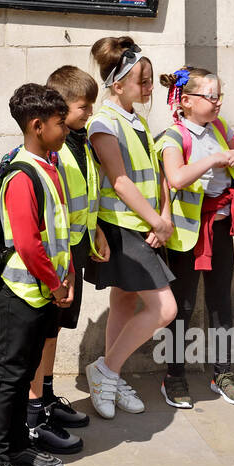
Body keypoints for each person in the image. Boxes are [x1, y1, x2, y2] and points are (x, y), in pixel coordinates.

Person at [0, 83, 74, 466]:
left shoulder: (47, 165)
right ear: (37, 126)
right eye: (60, 124)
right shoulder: (22, 175)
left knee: (25, 369)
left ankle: (15, 448)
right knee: (10, 374)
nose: (66, 130)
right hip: (23, 291)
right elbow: (29, 244)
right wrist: (55, 284)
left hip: (42, 292)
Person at [155, 66, 234, 408]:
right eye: (210, 96)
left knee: (221, 302)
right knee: (182, 307)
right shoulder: (173, 137)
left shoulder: (220, 128)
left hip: (219, 227)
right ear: (185, 101)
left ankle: (223, 372)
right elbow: (176, 178)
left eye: (220, 96)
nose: (217, 103)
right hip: (187, 235)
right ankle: (174, 376)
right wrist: (216, 158)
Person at [83, 37, 177, 419]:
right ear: (117, 84)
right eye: (143, 80)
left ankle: (111, 373)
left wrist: (164, 216)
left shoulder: (135, 118)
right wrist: (156, 220)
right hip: (122, 227)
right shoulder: (103, 122)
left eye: (150, 79)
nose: (149, 87)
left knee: (124, 299)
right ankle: (105, 370)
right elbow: (120, 181)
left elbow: (156, 175)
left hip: (145, 225)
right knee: (164, 308)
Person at [22, 66, 110, 454]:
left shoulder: (81, 141)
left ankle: (48, 396)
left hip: (74, 250)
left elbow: (87, 197)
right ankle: (33, 412)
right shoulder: (52, 151)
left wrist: (96, 232)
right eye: (82, 107)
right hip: (53, 259)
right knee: (40, 334)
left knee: (54, 333)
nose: (88, 113)